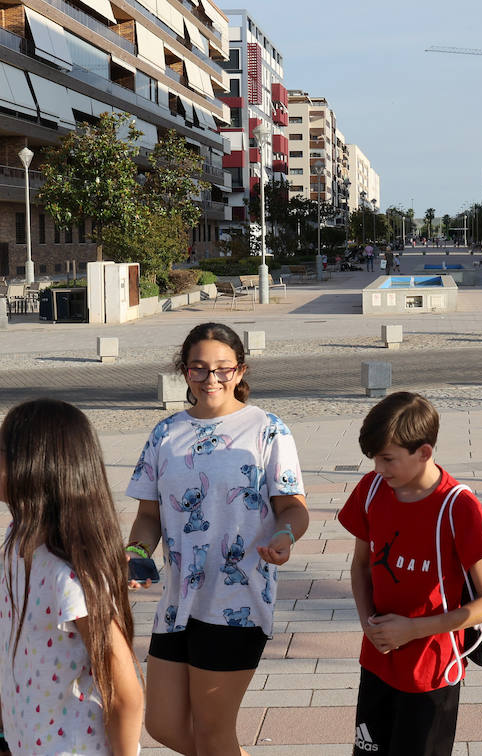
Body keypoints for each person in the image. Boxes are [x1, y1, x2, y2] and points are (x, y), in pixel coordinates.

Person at [124, 322, 309, 755]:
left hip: (237, 601)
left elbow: (293, 507)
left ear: (240, 371)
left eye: (223, 369)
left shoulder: (267, 429)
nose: (212, 379)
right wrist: (135, 552)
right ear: (184, 372)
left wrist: (284, 536)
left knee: (212, 732)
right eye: (199, 369)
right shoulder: (165, 433)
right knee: (163, 726)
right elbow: (148, 515)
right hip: (177, 602)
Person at [338, 392, 482, 756]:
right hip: (379, 660)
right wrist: (368, 620)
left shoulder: (458, 506)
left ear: (424, 452)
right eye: (374, 459)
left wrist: (413, 629)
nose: (379, 469)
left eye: (388, 459)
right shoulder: (371, 490)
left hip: (431, 672)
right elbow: (361, 566)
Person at [0, 398, 144, 756]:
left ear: (29, 467)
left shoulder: (68, 577)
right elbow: (18, 653)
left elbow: (125, 693)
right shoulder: (18, 539)